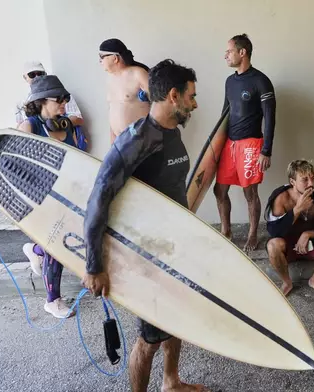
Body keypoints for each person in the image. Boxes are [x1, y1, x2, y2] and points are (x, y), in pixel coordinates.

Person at [81, 59, 210, 392]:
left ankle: (171, 381)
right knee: (149, 338)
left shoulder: (172, 132)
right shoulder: (137, 141)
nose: (195, 103)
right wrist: (94, 265)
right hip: (149, 256)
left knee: (176, 319)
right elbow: (98, 199)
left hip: (175, 248)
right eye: (191, 96)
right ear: (173, 96)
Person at [18, 75, 81, 319]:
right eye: (59, 99)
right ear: (42, 101)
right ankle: (52, 300)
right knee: (57, 245)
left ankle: (35, 250)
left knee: (58, 242)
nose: (64, 102)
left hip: (67, 194)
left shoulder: (67, 126)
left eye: (66, 98)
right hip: (41, 197)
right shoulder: (30, 126)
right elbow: (19, 165)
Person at [214, 33, 276, 252]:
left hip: (251, 144)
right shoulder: (230, 81)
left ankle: (252, 234)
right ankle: (226, 230)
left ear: (243, 52)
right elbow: (225, 114)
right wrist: (216, 146)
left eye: (229, 51)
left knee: (250, 193)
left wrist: (266, 151)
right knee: (219, 190)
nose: (225, 55)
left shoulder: (261, 81)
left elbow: (270, 117)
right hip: (229, 144)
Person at [265, 160, 314, 297]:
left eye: (312, 178)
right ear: (292, 182)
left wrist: (308, 233)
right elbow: (274, 231)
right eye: (304, 180)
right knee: (273, 245)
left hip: (313, 244)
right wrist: (297, 210)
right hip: (289, 247)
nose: (311, 184)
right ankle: (287, 282)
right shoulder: (281, 198)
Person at [99, 38, 151, 144]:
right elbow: (113, 109)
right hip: (119, 142)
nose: (100, 61)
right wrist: (113, 139)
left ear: (115, 58)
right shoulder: (110, 78)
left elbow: (159, 104)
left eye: (102, 57)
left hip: (141, 140)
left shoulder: (138, 74)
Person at [16, 61, 84, 129]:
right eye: (32, 74)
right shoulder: (21, 103)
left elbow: (79, 118)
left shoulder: (63, 95)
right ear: (25, 77)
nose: (37, 77)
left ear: (45, 74)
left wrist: (60, 124)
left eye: (40, 73)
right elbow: (19, 127)